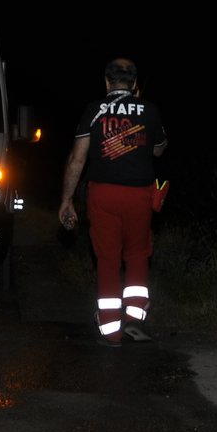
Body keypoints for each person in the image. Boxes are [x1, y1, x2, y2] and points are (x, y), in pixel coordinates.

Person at [58, 58, 168, 346]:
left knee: (107, 258)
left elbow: (77, 159)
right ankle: (134, 320)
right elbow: (159, 150)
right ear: (134, 84)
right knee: (137, 254)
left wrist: (67, 200)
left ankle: (111, 330)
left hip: (103, 194)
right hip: (140, 196)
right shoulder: (151, 111)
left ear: (106, 82)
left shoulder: (94, 110)